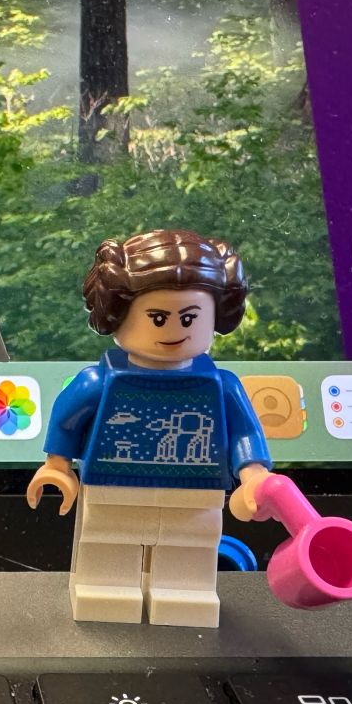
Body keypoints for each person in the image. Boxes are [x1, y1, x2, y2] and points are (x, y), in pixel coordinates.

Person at [26, 230, 275, 628]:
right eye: (157, 318)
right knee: (108, 544)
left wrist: (254, 475)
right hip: (112, 485)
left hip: (197, 491)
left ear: (216, 316)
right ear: (117, 314)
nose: (174, 329)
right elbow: (67, 418)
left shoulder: (221, 386)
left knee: (190, 550)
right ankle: (104, 592)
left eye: (189, 318)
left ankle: (185, 594)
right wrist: (57, 466)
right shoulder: (99, 382)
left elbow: (244, 434)